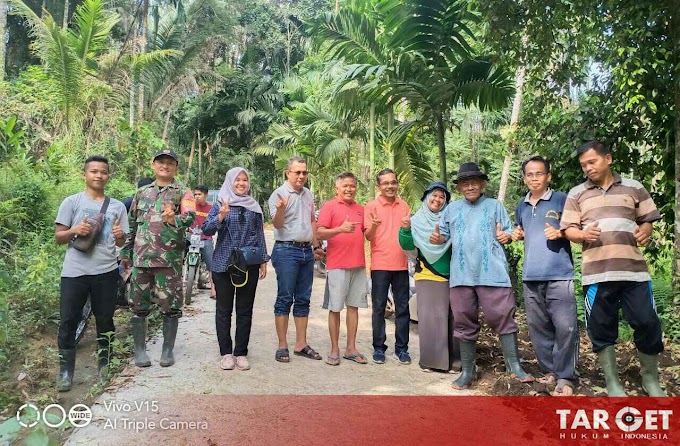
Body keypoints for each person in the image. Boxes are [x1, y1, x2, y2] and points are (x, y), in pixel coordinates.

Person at [560, 141, 666, 397]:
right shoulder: (577, 193)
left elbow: (647, 219)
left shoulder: (634, 187)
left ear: (607, 159)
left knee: (647, 321)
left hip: (634, 271)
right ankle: (612, 382)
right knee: (601, 326)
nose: (587, 168)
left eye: (592, 162)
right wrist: (583, 233)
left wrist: (646, 232)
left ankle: (650, 380)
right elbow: (569, 229)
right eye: (584, 164)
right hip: (597, 274)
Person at [434, 162, 533, 389]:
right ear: (459, 187)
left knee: (503, 318)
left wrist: (506, 236)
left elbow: (508, 231)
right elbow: (443, 235)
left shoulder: (495, 206)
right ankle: (468, 371)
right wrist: (438, 239)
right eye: (465, 183)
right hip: (461, 275)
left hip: (493, 274)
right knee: (463, 320)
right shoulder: (451, 209)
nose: (470, 186)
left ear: (482, 184)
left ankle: (514, 366)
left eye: (474, 182)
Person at [54, 156, 129, 391]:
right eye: (94, 171)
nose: (99, 175)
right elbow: (58, 237)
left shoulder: (117, 206)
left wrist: (119, 236)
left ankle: (104, 365)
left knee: (105, 319)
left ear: (108, 176)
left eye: (103, 172)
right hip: (75, 272)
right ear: (85, 174)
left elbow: (122, 240)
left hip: (106, 271)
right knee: (68, 320)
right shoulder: (72, 202)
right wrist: (75, 229)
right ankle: (65, 372)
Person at [121, 149, 195, 368]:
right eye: (161, 162)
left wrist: (174, 219)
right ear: (153, 165)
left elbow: (190, 217)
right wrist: (126, 252)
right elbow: (132, 223)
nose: (165, 166)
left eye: (170, 163)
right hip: (141, 260)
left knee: (170, 306)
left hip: (168, 261)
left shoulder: (184, 192)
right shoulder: (142, 192)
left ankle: (167, 350)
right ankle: (140, 351)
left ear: (176, 168)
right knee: (138, 306)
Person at [511, 156, 578, 395]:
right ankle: (550, 371)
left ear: (548, 176)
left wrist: (561, 232)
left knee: (566, 327)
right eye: (529, 174)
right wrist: (516, 233)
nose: (534, 178)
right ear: (524, 178)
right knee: (539, 327)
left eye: (539, 174)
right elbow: (520, 229)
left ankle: (566, 377)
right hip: (531, 275)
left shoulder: (561, 199)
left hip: (560, 275)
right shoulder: (522, 204)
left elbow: (575, 229)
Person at [203, 168, 268, 371]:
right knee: (223, 310)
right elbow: (207, 230)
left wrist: (264, 259)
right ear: (230, 181)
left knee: (245, 309)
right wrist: (221, 216)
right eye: (237, 180)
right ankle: (226, 353)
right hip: (223, 262)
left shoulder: (254, 207)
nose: (241, 183)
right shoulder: (220, 203)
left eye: (245, 180)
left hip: (249, 263)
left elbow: (259, 234)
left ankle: (241, 352)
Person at [398, 181, 460, 373]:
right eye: (434, 195)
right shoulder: (416, 220)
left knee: (455, 319)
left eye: (442, 197)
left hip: (455, 276)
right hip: (428, 274)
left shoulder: (451, 221)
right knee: (432, 319)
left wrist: (445, 238)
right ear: (426, 198)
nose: (438, 199)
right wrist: (406, 229)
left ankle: (456, 362)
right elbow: (408, 247)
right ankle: (432, 362)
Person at [268, 156, 321, 363]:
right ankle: (282, 346)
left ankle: (301, 343)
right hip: (286, 250)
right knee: (284, 298)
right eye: (297, 172)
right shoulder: (279, 194)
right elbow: (278, 225)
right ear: (287, 173)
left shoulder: (308, 194)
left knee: (303, 299)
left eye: (304, 172)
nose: (301, 176)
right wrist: (280, 210)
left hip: (306, 252)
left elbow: (312, 221)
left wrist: (316, 246)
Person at [316, 172, 368, 366]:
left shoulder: (361, 209)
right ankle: (335, 348)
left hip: (358, 265)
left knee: (354, 307)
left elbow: (367, 234)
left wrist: (375, 226)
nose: (349, 189)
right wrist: (339, 229)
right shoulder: (329, 206)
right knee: (335, 308)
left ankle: (351, 348)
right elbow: (319, 231)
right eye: (345, 186)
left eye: (352, 186)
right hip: (337, 265)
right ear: (337, 188)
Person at [364, 168, 412, 365]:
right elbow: (367, 236)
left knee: (403, 308)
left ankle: (402, 349)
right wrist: (374, 225)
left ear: (397, 184)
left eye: (393, 182)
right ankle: (379, 348)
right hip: (380, 265)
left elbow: (409, 235)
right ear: (379, 186)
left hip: (401, 265)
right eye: (385, 183)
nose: (390, 186)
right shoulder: (371, 206)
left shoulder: (404, 206)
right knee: (379, 308)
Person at [190, 185, 216, 299]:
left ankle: (214, 289)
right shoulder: (190, 206)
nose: (197, 197)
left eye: (199, 194)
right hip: (190, 237)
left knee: (212, 264)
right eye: (195, 194)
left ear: (206, 195)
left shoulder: (211, 208)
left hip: (206, 238)